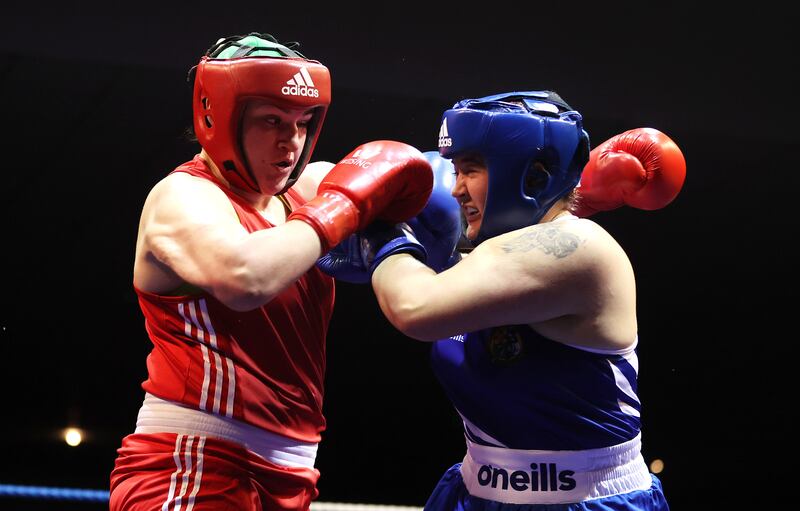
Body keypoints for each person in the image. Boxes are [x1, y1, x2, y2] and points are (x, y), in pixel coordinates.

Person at [108, 32, 433, 511]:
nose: (291, 142)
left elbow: (452, 199)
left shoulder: (312, 191)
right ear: (217, 117)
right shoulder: (185, 197)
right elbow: (245, 278)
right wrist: (341, 208)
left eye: (303, 123)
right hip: (196, 460)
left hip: (293, 471)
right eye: (272, 121)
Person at [319, 90, 685, 510]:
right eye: (455, 170)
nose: (455, 189)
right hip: (476, 489)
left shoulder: (578, 247)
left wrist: (386, 238)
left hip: (587, 500)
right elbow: (321, 178)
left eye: (470, 170)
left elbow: (414, 308)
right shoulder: (482, 243)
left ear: (530, 177)